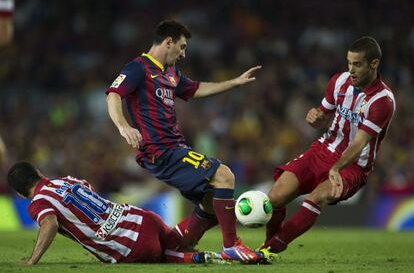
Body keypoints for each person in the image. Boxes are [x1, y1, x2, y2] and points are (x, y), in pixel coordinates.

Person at [106, 20, 262, 262]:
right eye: (182, 46)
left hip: (176, 147)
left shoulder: (170, 73)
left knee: (212, 199)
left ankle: (174, 246)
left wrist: (235, 82)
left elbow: (196, 89)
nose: (184, 53)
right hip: (160, 150)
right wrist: (123, 126)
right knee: (225, 176)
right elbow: (114, 94)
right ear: (168, 42)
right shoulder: (138, 67)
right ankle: (231, 245)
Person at [261, 36, 396, 253]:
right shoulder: (339, 81)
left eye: (357, 64)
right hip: (322, 150)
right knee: (274, 197)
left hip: (353, 166)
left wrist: (336, 168)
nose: (351, 70)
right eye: (349, 63)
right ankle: (268, 243)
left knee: (317, 196)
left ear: (374, 63)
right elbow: (323, 115)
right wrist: (314, 117)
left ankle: (270, 249)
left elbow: (360, 142)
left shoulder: (382, 101)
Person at [7, 161, 228, 265]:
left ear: (20, 193)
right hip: (143, 218)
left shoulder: (38, 202)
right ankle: (213, 211)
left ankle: (201, 257)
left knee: (162, 256)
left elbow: (50, 224)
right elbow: (90, 191)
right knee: (174, 239)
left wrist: (32, 261)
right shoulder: (65, 180)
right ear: (38, 172)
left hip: (129, 243)